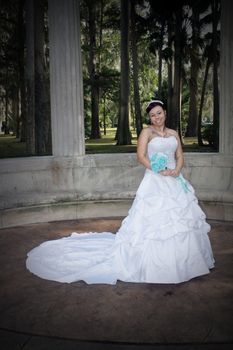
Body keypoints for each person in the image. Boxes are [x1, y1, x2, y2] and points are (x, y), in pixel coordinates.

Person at [26, 100, 215, 284]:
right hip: (155, 181)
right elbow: (140, 157)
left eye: (159, 113)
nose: (156, 117)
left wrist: (176, 170)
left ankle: (185, 264)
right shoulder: (146, 132)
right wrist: (158, 169)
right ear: (149, 118)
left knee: (180, 223)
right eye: (152, 115)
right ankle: (155, 266)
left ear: (165, 112)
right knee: (153, 225)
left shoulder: (174, 133)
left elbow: (179, 155)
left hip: (174, 181)